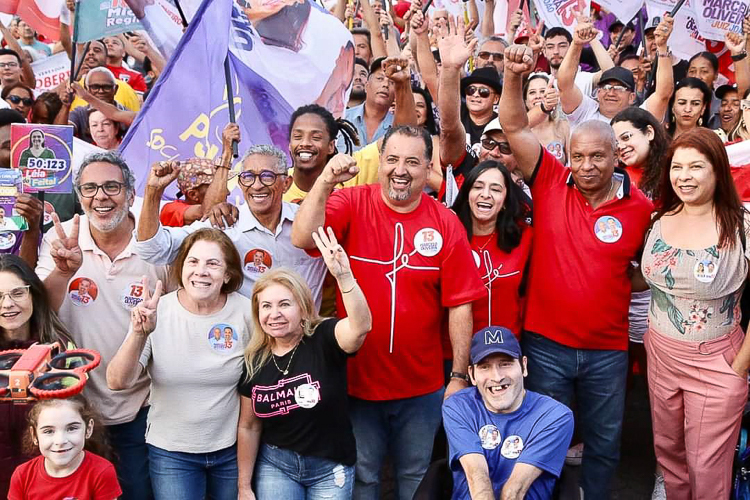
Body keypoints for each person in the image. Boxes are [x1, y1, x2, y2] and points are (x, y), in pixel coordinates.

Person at [291, 125, 484, 500]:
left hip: (422, 386)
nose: (401, 170)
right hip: (357, 380)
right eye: (393, 159)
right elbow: (302, 237)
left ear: (429, 166)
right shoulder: (351, 202)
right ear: (380, 163)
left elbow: (461, 303)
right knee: (363, 477)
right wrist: (327, 179)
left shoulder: (445, 222)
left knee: (415, 476)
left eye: (413, 161)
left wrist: (459, 375)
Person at [498, 43, 654, 498]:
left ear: (615, 157)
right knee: (545, 441)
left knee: (604, 446)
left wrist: (611, 278)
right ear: (568, 154)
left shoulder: (641, 208)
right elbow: (511, 125)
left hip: (608, 350)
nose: (586, 166)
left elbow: (650, 269)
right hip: (546, 346)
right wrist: (512, 76)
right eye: (578, 156)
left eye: (597, 157)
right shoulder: (549, 179)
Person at [36, 151, 171, 500]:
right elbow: (39, 312)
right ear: (79, 196)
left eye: (111, 186)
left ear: (130, 193)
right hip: (74, 409)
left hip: (140, 409)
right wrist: (64, 272)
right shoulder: (60, 238)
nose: (101, 197)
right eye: (90, 188)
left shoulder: (157, 244)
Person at [640, 128, 750, 498]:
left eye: (696, 167)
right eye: (677, 166)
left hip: (717, 361)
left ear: (718, 170)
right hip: (660, 354)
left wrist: (739, 368)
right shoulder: (660, 218)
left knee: (707, 468)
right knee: (669, 453)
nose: (683, 176)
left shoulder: (742, 225)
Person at [108, 228, 251, 499]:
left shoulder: (245, 312)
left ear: (228, 274)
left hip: (231, 450)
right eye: (193, 262)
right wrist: (140, 332)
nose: (201, 271)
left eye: (213, 263)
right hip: (172, 453)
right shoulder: (156, 311)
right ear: (181, 267)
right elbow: (117, 381)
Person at [237, 227, 372, 499]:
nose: (274, 314)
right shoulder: (254, 359)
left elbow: (360, 327)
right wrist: (244, 486)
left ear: (302, 308)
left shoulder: (324, 338)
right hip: (277, 466)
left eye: (284, 304)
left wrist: (344, 277)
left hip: (330, 466)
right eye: (266, 306)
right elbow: (249, 426)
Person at [135, 139, 326, 306]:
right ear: (241, 183)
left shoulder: (311, 223)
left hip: (306, 341)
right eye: (248, 177)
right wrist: (153, 192)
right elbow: (153, 250)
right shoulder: (225, 224)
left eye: (267, 176)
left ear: (286, 183)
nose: (257, 185)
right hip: (247, 342)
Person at [443, 326, 574, 499]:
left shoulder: (555, 416)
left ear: (524, 366)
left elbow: (515, 490)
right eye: (484, 367)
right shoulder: (458, 406)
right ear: (472, 375)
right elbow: (477, 478)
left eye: (505, 364)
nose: (496, 377)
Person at [0, 254, 75, 497]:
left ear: (33, 294)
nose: (8, 304)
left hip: (48, 479)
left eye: (17, 293)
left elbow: (73, 420)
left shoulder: (59, 349)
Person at [451, 161, 532, 335]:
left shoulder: (524, 237)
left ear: (504, 201)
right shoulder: (449, 235)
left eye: (495, 189)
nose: (485, 194)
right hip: (455, 350)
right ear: (467, 195)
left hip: (505, 351)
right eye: (478, 187)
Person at [558, 13, 674, 129]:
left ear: (632, 97)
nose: (611, 93)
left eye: (619, 88)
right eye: (606, 87)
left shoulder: (641, 119)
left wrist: (662, 47)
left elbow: (663, 94)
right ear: (598, 93)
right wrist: (576, 44)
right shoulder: (585, 111)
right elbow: (564, 85)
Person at [7, 396, 121, 500]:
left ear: (88, 428)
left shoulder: (102, 472)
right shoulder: (22, 475)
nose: (60, 441)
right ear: (34, 435)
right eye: (49, 431)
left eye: (71, 428)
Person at [339, 57, 395, 152]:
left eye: (392, 82)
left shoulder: (398, 126)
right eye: (380, 78)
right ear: (366, 85)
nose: (385, 84)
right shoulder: (342, 118)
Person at [524, 72, 569, 162]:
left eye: (543, 91)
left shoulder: (564, 126)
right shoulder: (520, 130)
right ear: (525, 101)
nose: (538, 96)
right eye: (532, 92)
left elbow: (572, 163)